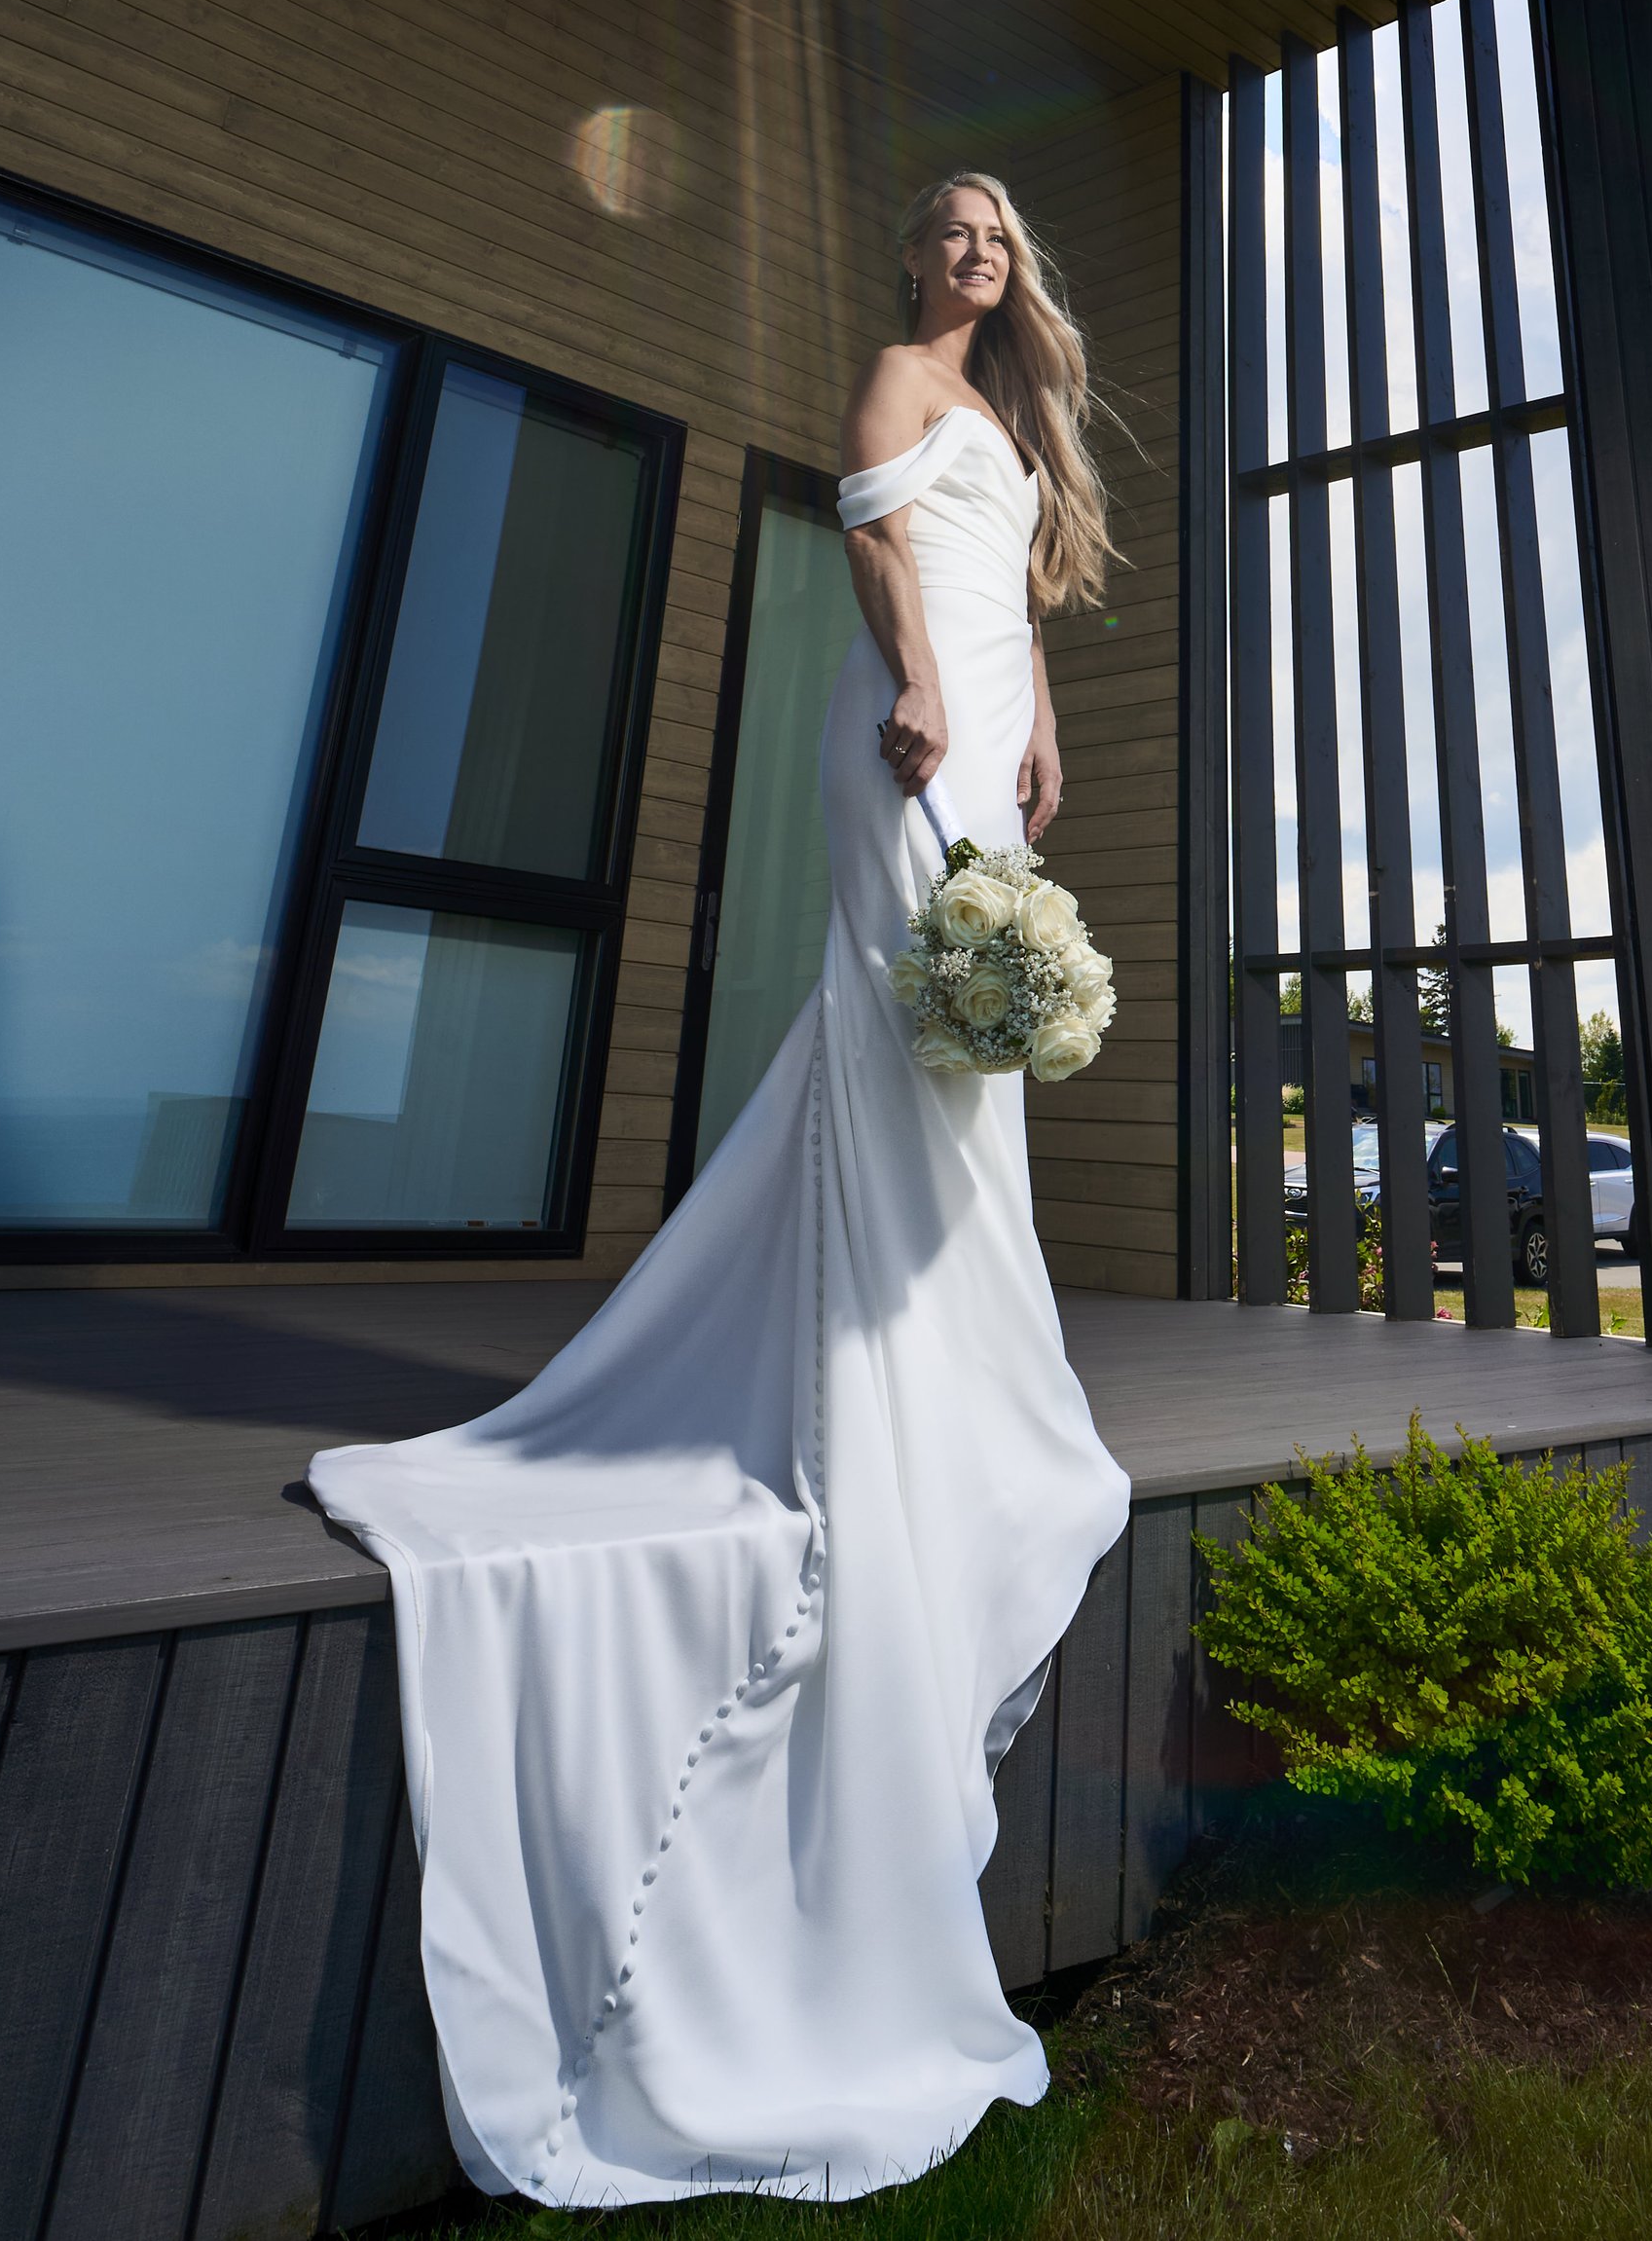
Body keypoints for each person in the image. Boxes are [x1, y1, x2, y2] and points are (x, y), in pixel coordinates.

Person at [311, 173, 1130, 2207]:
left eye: (993, 234)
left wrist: (1033, 732)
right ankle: (867, 1393)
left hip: (988, 723)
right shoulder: (887, 377)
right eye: (945, 229)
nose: (969, 252)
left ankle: (939, 1364)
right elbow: (877, 555)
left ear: (1018, 267)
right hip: (906, 725)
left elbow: (1006, 591)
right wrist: (928, 698)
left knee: (964, 1055)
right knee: (902, 1032)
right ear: (913, 260)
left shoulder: (1016, 422)